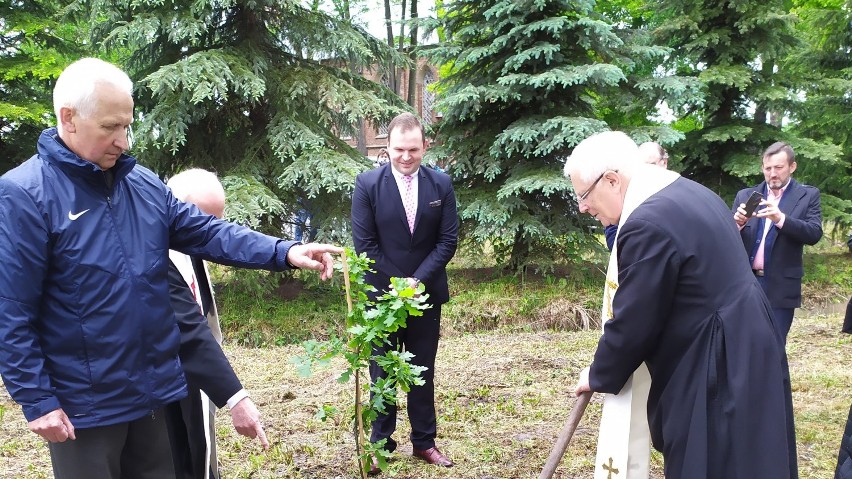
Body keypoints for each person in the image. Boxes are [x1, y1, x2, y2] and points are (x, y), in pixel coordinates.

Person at [0, 57, 341, 479]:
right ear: (68, 118)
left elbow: (209, 233)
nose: (122, 140)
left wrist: (284, 252)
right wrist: (37, 399)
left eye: (126, 125)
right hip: (84, 408)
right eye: (109, 127)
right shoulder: (24, 194)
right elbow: (10, 309)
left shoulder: (141, 184)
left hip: (153, 395)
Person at [567, 131, 797, 479]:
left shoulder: (645, 224)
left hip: (718, 359)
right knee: (750, 457)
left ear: (612, 180)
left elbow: (635, 320)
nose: (583, 207)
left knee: (712, 460)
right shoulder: (688, 191)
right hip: (748, 338)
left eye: (583, 196)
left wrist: (599, 373)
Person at [351, 112, 458, 473]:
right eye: (399, 150)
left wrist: (417, 283)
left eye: (413, 149)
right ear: (387, 147)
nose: (406, 157)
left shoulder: (441, 185)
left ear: (425, 146)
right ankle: (381, 445)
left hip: (425, 296)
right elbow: (365, 245)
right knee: (381, 374)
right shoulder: (367, 184)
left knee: (422, 371)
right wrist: (400, 286)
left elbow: (447, 242)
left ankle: (424, 443)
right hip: (382, 297)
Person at [164, 169, 268, 479]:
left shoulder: (189, 246)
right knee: (179, 453)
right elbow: (188, 329)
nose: (213, 231)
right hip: (167, 376)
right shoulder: (154, 255)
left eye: (218, 220)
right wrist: (236, 398)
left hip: (198, 376)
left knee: (202, 448)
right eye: (207, 220)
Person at [732, 141, 823, 344]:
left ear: (792, 167)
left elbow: (814, 233)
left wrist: (781, 219)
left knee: (774, 346)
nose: (773, 174)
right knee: (744, 343)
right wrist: (736, 224)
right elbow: (727, 240)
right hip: (746, 284)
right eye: (768, 168)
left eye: (779, 168)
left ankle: (775, 378)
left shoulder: (808, 195)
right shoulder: (746, 196)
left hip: (780, 286)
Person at [604, 141, 668, 250]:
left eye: (651, 165)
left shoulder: (679, 193)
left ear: (664, 162)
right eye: (641, 166)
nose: (645, 170)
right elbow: (612, 232)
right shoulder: (628, 191)